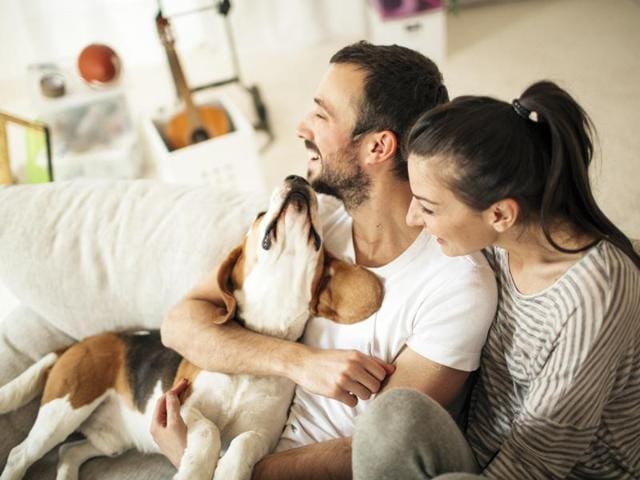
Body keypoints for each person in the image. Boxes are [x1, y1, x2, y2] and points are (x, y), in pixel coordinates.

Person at [151, 42, 498, 479]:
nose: (301, 126)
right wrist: (298, 362)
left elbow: (377, 447)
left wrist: (213, 467)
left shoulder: (457, 285)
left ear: (378, 147)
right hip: (236, 434)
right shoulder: (315, 219)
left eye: (322, 115)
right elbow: (180, 323)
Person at [352, 80, 640, 479]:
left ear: (501, 215)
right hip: (479, 445)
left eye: (429, 208)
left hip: (549, 470)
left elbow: (538, 460)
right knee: (392, 415)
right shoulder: (496, 240)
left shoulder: (595, 293)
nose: (412, 217)